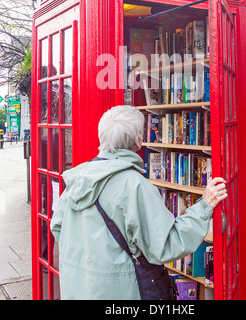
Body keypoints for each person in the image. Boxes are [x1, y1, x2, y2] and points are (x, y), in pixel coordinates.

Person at [50, 105, 227, 300]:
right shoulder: (134, 185)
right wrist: (205, 205)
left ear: (102, 137)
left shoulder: (77, 177)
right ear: (138, 142)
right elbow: (167, 244)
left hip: (77, 288)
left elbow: (57, 227)